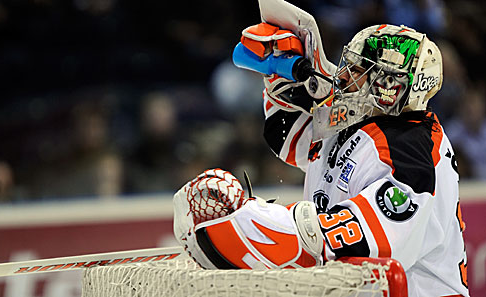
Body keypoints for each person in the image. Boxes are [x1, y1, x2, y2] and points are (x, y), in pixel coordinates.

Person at [172, 8, 469, 297]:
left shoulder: (410, 147)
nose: (342, 75)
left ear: (391, 84)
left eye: (358, 68)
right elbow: (292, 140)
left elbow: (352, 242)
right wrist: (281, 79)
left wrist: (247, 217)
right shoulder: (359, 120)